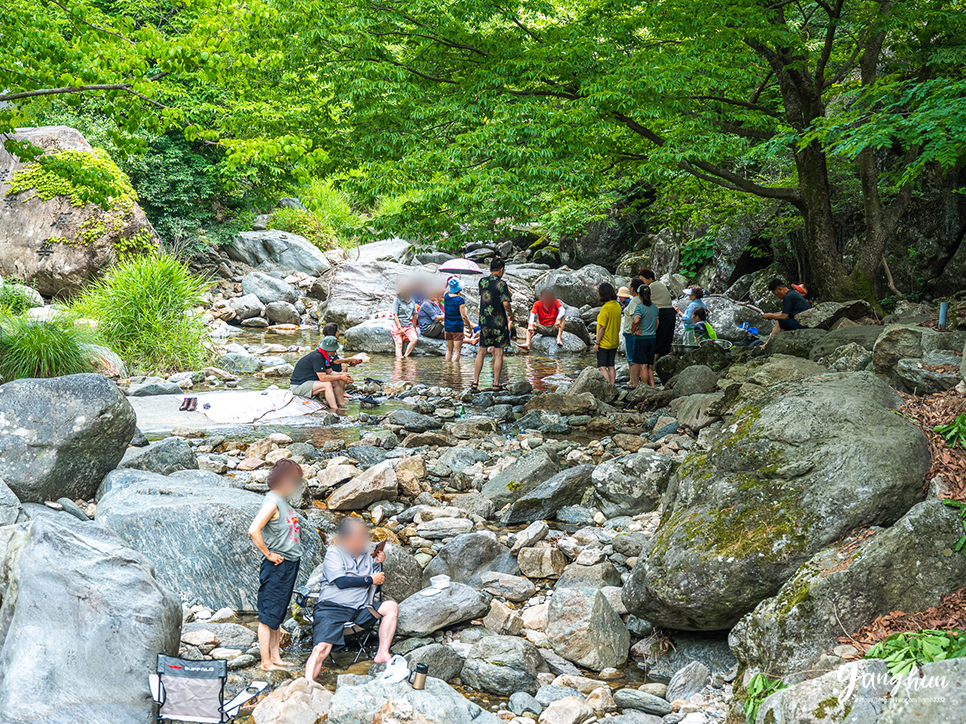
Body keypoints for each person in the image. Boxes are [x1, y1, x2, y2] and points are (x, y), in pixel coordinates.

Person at [304, 518, 399, 681]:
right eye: (358, 536)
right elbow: (341, 582)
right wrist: (370, 579)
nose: (363, 540)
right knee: (321, 648)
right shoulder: (334, 553)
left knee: (391, 607)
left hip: (358, 610)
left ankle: (382, 653)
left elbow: (377, 588)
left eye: (364, 535)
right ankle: (307, 684)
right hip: (331, 609)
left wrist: (379, 564)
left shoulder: (368, 557)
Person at [248, 460, 304, 671]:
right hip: (277, 566)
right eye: (294, 480)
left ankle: (276, 657)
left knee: (277, 615)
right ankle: (266, 662)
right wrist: (268, 554)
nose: (297, 485)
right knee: (267, 615)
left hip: (290, 564)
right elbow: (254, 530)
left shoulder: (283, 501)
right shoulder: (272, 502)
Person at [472, 256, 514, 392]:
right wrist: (510, 313)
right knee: (499, 353)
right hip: (499, 322)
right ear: (501, 270)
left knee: (481, 352)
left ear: (490, 269)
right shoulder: (501, 284)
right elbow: (506, 303)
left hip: (484, 321)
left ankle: (475, 383)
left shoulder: (482, 282)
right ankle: (496, 384)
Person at [290, 335, 359, 409]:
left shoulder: (324, 356)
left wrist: (343, 374)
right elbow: (323, 378)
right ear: (330, 350)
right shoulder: (317, 357)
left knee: (335, 381)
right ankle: (334, 409)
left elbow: (330, 372)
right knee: (326, 384)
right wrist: (341, 377)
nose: (336, 351)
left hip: (309, 382)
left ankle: (342, 406)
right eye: (335, 349)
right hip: (298, 385)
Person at [639, 269, 675, 359]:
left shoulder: (651, 287)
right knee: (666, 341)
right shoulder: (660, 284)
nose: (643, 282)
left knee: (657, 342)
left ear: (649, 278)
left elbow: (645, 302)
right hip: (670, 312)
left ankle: (653, 367)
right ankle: (663, 363)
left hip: (662, 313)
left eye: (643, 280)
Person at [631, 282, 659, 388]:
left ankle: (644, 388)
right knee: (649, 366)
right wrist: (653, 331)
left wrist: (633, 330)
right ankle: (652, 387)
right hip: (652, 338)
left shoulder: (639, 308)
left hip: (641, 338)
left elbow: (636, 320)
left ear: (639, 295)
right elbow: (657, 323)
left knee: (642, 365)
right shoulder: (655, 308)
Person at [593, 282, 621, 384]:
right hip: (614, 341)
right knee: (611, 366)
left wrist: (597, 343)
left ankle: (608, 387)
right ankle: (613, 386)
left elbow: (602, 327)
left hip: (604, 343)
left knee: (602, 366)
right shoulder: (617, 305)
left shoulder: (605, 308)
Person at [443, 277, 473, 362]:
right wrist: (470, 328)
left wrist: (452, 280)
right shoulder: (460, 300)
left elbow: (447, 290)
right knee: (457, 351)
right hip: (457, 327)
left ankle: (448, 370)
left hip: (447, 327)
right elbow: (463, 316)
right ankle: (455, 372)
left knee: (449, 350)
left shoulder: (446, 297)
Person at [390, 283, 418, 358]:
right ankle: (398, 362)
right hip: (398, 324)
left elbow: (415, 313)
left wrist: (414, 327)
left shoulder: (411, 298)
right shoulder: (397, 299)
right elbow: (395, 314)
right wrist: (399, 328)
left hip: (408, 324)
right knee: (399, 344)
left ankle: (405, 356)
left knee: (414, 339)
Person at [618, 285, 639, 387]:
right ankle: (632, 380)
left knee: (632, 358)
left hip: (631, 333)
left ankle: (634, 382)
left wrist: (633, 329)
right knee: (629, 357)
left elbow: (636, 318)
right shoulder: (634, 301)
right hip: (629, 332)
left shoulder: (631, 302)